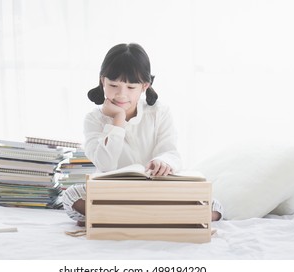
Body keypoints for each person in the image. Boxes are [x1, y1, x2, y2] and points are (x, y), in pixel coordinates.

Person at [62, 43, 223, 225]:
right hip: (115, 192)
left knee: (213, 206)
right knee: (71, 197)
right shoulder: (94, 119)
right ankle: (155, 216)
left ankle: (125, 216)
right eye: (113, 85)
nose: (121, 94)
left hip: (157, 190)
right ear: (102, 81)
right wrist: (118, 119)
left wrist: (164, 162)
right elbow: (105, 165)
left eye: (131, 87)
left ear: (144, 86)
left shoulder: (159, 112)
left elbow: (171, 153)